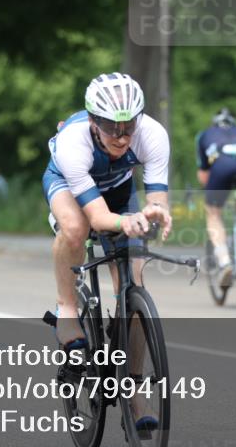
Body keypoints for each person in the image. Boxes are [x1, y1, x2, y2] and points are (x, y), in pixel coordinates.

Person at [42, 72, 172, 348]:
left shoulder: (153, 134)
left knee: (134, 286)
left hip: (118, 187)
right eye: (112, 128)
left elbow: (157, 198)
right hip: (68, 186)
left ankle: (130, 371)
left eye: (129, 126)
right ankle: (66, 309)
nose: (122, 137)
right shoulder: (73, 141)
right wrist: (125, 223)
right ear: (93, 121)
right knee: (75, 229)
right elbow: (99, 219)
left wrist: (157, 211)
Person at [195, 108, 236, 287]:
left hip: (222, 166)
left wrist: (210, 192)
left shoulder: (204, 135)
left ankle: (224, 262)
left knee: (213, 213)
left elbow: (203, 175)